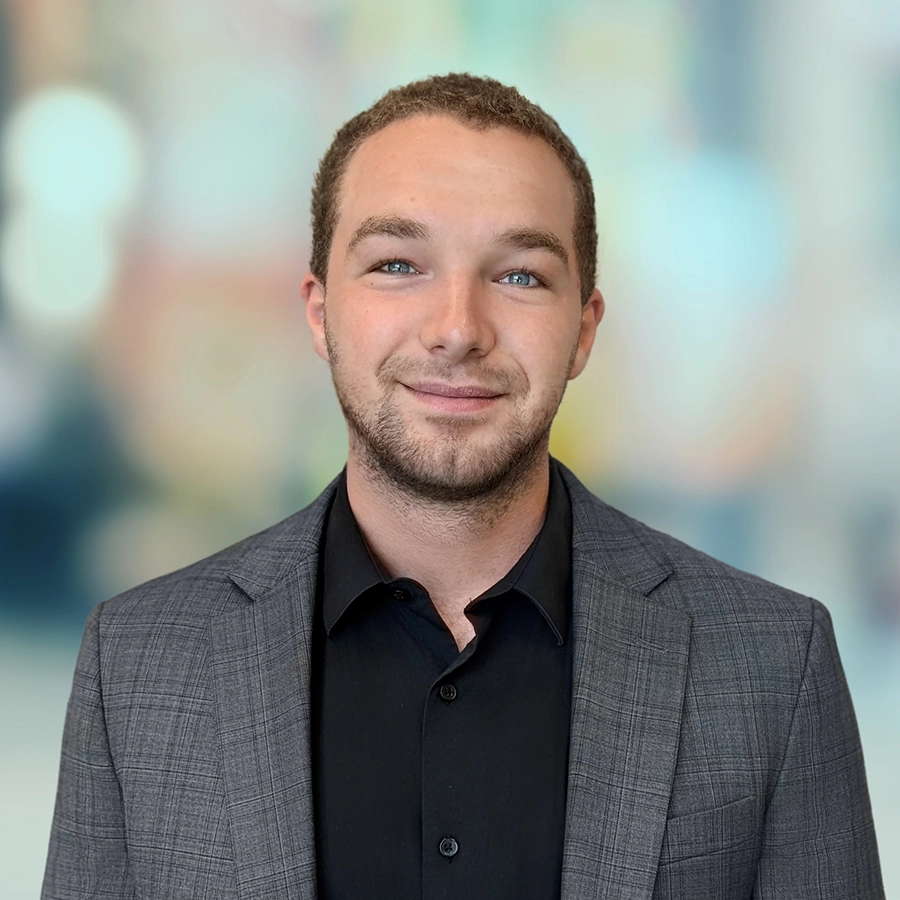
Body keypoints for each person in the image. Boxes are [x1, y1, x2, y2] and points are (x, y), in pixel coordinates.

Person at [42, 73, 884, 900]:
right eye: (398, 264)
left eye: (520, 275)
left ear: (584, 330)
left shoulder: (775, 663)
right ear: (318, 310)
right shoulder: (139, 662)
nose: (457, 329)